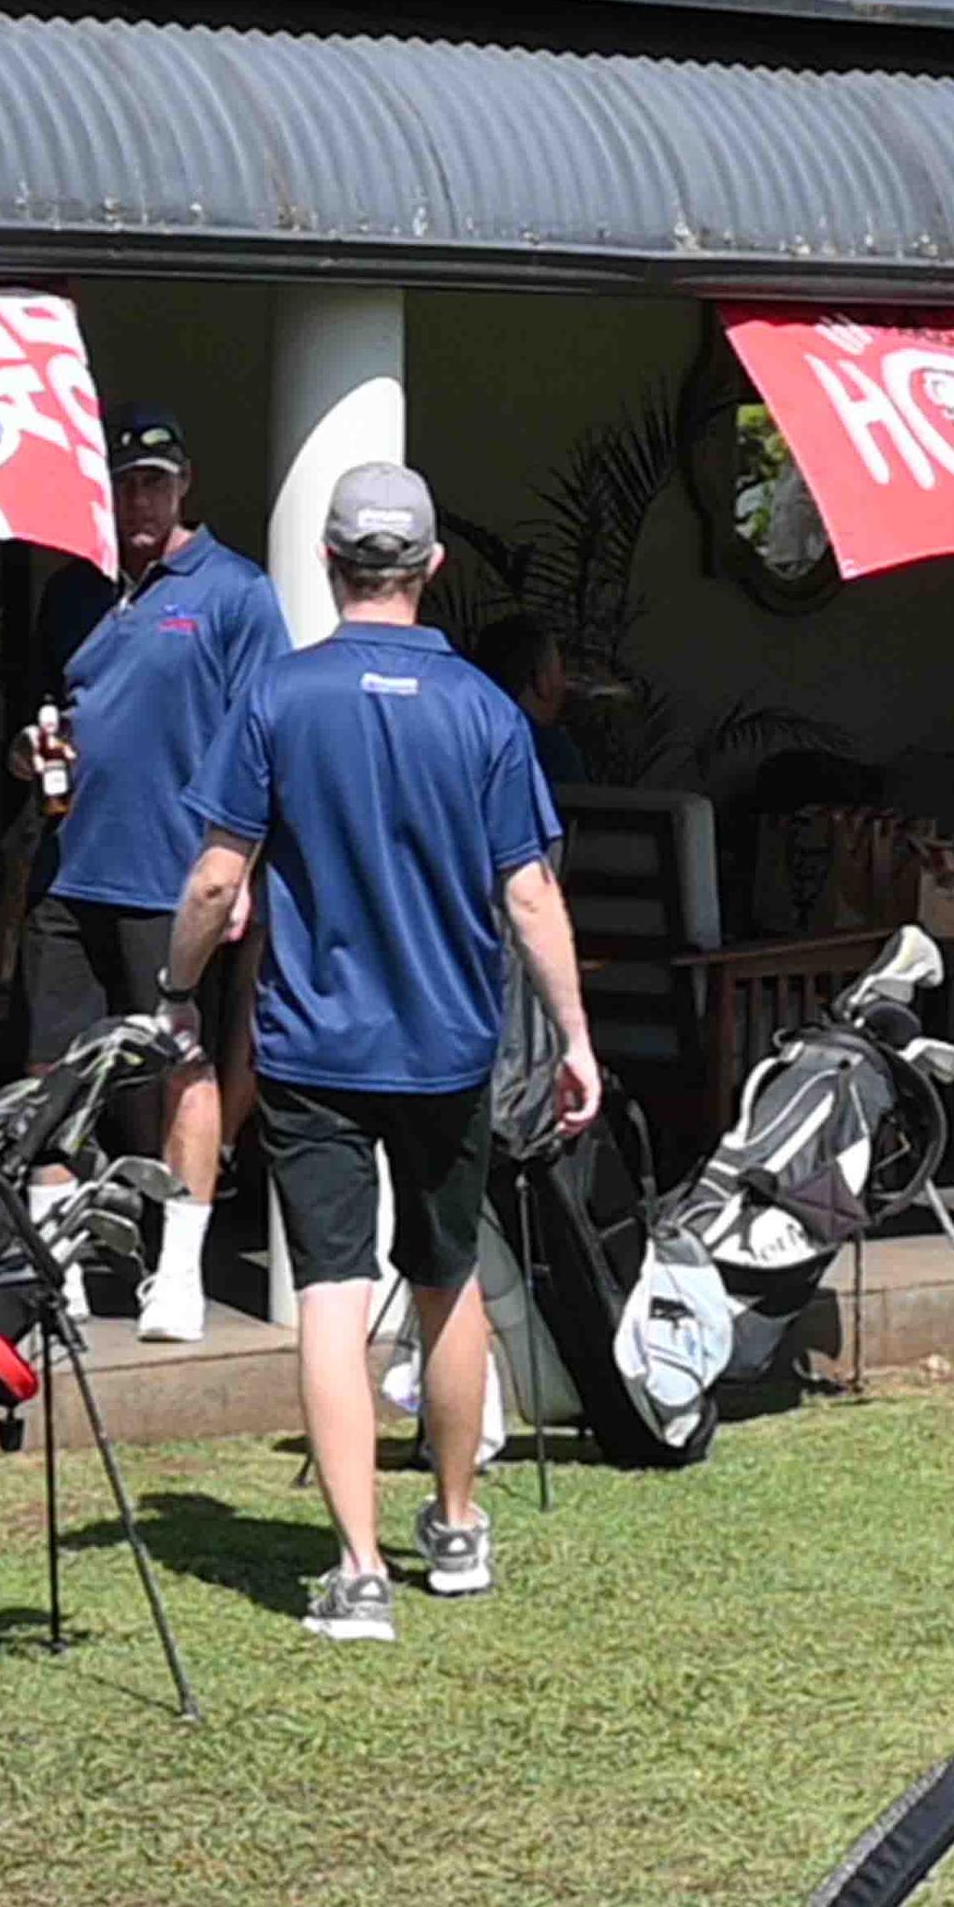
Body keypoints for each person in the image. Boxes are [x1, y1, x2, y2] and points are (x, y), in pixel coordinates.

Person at [170, 462, 596, 1644]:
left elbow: (216, 877)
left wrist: (177, 982)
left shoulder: (277, 696)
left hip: (313, 1045)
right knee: (447, 1276)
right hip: (450, 1047)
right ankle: (455, 1528)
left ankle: (357, 1571)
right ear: (431, 569)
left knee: (329, 1293)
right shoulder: (487, 711)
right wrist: (575, 1036)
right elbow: (531, 893)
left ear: (326, 560)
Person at [18, 405, 293, 1342]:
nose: (140, 498)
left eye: (155, 481)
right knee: (51, 1072)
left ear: (185, 488)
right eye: (126, 480)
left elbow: (268, 743)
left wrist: (244, 868)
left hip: (177, 882)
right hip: (70, 869)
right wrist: (34, 754)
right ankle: (56, 1274)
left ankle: (177, 1272)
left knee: (185, 1067)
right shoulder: (72, 592)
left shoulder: (235, 593)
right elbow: (56, 712)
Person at [472, 614, 589, 793]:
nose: (565, 683)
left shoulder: (463, 742)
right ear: (541, 681)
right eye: (559, 671)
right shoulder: (551, 752)